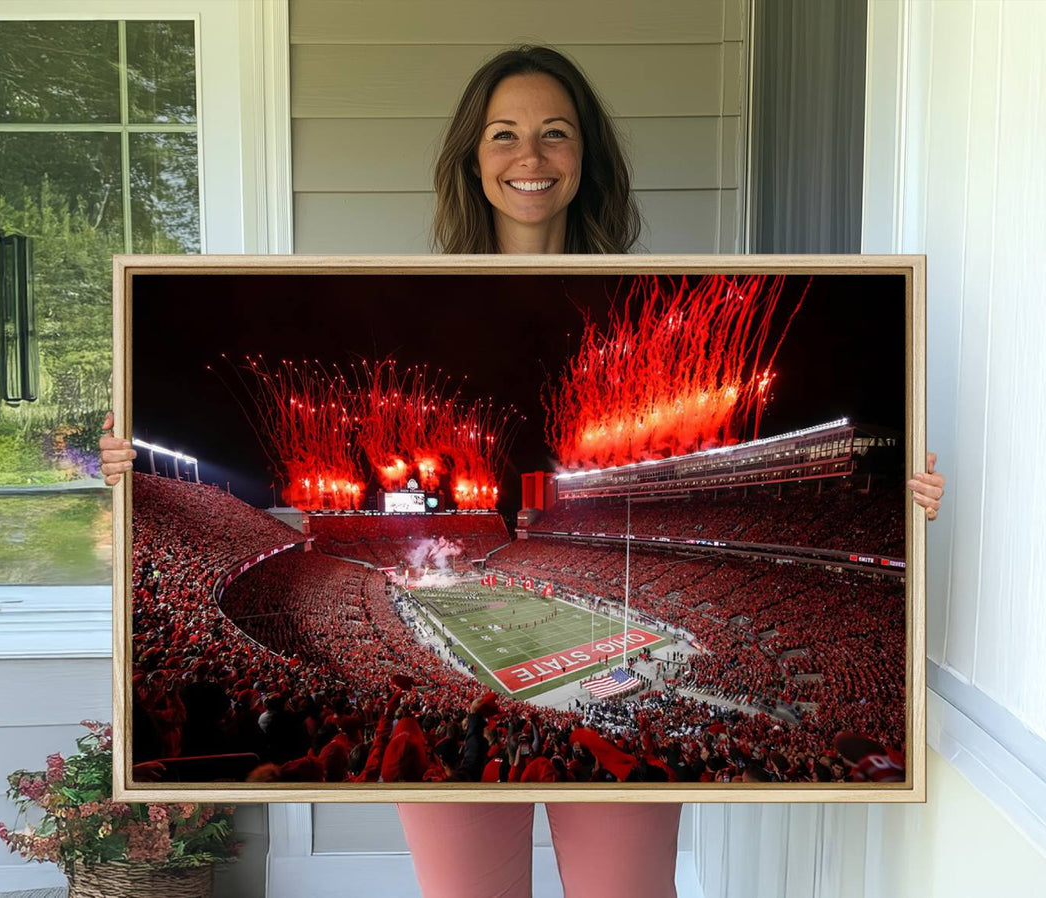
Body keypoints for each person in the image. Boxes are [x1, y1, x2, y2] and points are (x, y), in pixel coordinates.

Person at [100, 45, 945, 898]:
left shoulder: (646, 283)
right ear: (473, 156)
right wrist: (127, 479)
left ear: (587, 157)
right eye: (504, 134)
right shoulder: (409, 286)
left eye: (555, 133)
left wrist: (899, 499)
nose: (530, 157)